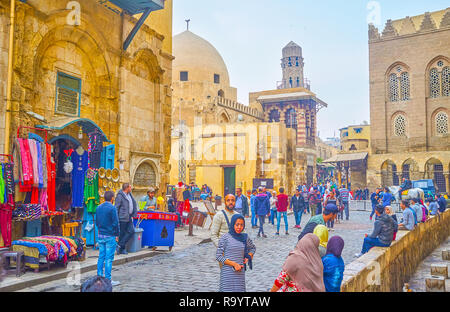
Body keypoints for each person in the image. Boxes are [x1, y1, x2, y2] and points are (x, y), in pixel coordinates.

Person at [216, 214, 255, 292]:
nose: (239, 227)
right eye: (237, 224)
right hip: (227, 274)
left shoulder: (245, 237)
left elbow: (252, 248)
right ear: (232, 224)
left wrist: (249, 256)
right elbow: (218, 256)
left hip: (240, 274)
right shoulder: (225, 238)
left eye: (241, 225)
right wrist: (234, 264)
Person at [95, 191, 120, 285]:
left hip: (101, 235)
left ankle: (99, 277)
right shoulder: (112, 208)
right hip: (110, 236)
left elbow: (97, 222)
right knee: (109, 258)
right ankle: (108, 280)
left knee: (101, 257)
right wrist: (117, 235)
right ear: (112, 198)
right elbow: (116, 223)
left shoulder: (98, 208)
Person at [115, 183, 137, 255]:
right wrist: (116, 218)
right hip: (122, 218)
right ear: (127, 188)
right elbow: (116, 207)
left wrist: (134, 213)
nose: (131, 188)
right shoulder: (120, 196)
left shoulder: (129, 195)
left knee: (131, 231)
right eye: (130, 187)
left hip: (129, 217)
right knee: (122, 233)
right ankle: (122, 249)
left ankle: (120, 246)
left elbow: (133, 203)